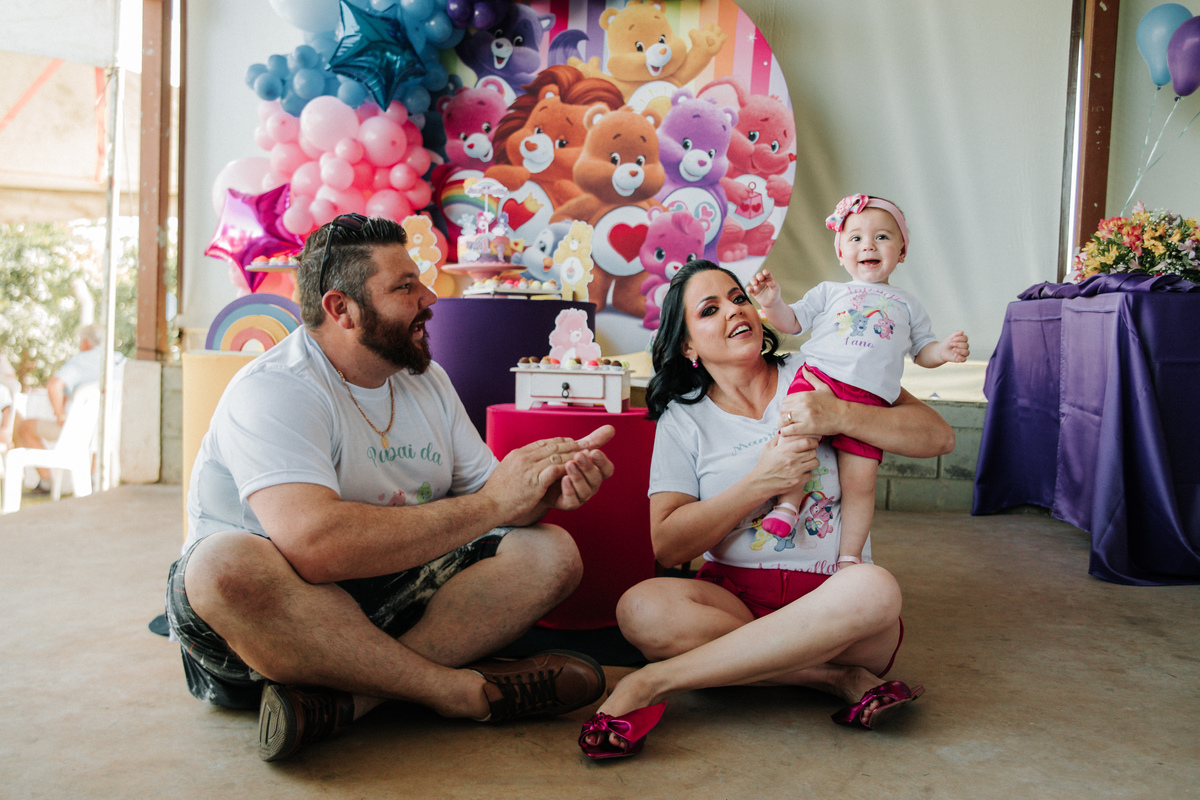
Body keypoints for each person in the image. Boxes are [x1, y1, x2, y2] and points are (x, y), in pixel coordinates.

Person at [167, 214, 616, 762]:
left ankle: (351, 700)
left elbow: (491, 503)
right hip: (273, 624)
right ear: (342, 309)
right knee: (221, 568)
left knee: (551, 553)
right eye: (405, 286)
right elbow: (317, 548)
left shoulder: (428, 380)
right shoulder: (275, 389)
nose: (428, 297)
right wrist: (496, 502)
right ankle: (456, 692)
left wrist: (540, 491)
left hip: (393, 599)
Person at [577, 260, 954, 759]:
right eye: (711, 309)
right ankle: (831, 678)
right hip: (735, 602)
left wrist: (842, 413)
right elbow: (669, 545)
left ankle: (655, 681)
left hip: (835, 609)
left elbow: (938, 436)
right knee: (640, 608)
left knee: (875, 588)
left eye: (738, 298)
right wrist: (761, 483)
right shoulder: (683, 422)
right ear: (687, 345)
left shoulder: (820, 370)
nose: (736, 311)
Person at [745, 194, 968, 570]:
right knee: (795, 443)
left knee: (861, 483)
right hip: (819, 379)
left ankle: (849, 556)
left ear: (902, 252)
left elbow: (922, 352)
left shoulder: (909, 304)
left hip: (867, 402)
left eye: (882, 237)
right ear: (840, 252)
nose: (868, 245)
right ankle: (787, 505)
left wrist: (942, 352)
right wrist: (772, 302)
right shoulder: (830, 292)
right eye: (856, 238)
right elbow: (792, 323)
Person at [14, 323, 124, 490]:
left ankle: (47, 482)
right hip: (111, 430)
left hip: (80, 431)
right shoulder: (120, 359)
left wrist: (60, 415)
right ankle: (94, 478)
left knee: (25, 426)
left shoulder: (81, 361)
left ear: (86, 342)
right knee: (98, 431)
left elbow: (54, 386)